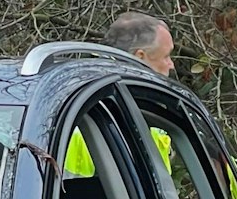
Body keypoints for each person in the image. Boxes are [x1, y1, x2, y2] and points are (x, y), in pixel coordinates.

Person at [65, 12, 174, 177]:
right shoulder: (126, 114)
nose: (171, 65)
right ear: (140, 57)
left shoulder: (72, 94)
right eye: (166, 56)